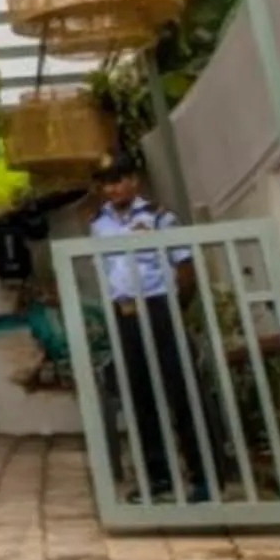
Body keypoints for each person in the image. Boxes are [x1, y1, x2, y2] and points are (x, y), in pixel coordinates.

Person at [92, 172, 210, 502]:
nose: (112, 188)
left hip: (160, 309)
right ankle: (159, 478)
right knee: (139, 396)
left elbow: (184, 269)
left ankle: (204, 476)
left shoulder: (160, 217)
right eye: (105, 183)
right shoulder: (98, 224)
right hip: (125, 313)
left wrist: (175, 309)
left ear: (134, 181)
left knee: (183, 391)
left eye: (117, 180)